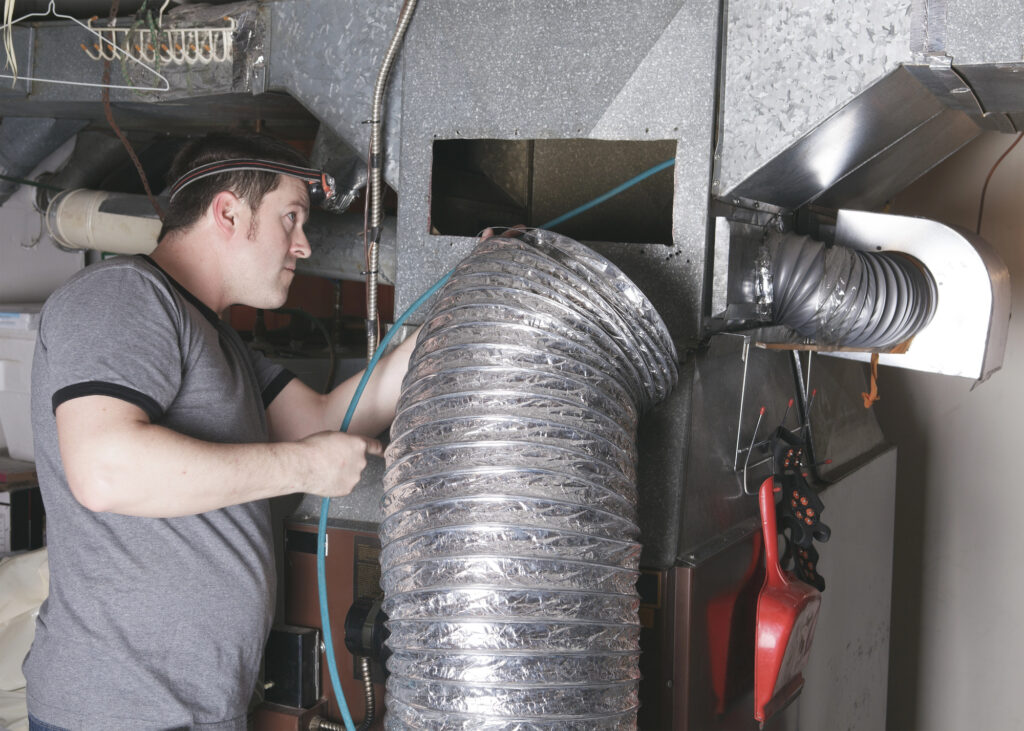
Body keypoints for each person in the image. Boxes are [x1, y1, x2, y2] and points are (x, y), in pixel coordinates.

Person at [23, 132, 416, 730]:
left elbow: (328, 420)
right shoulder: (123, 296)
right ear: (228, 212)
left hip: (200, 711)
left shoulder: (219, 342)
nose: (304, 245)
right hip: (116, 712)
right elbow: (104, 470)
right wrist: (305, 466)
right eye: (291, 218)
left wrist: (453, 313)